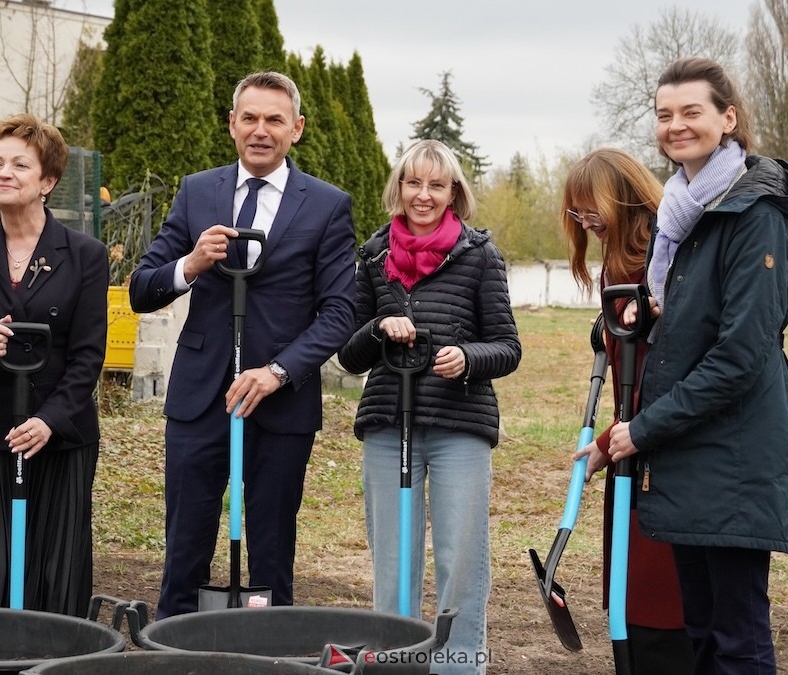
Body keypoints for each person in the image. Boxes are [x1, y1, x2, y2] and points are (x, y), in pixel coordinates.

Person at [129, 71, 357, 618]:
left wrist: (278, 371)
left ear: (296, 129)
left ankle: (267, 646)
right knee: (185, 539)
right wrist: (190, 264)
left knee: (273, 543)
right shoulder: (197, 191)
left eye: (274, 120)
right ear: (232, 124)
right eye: (249, 118)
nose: (261, 130)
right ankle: (174, 645)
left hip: (280, 402)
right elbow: (141, 288)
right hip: (200, 396)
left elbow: (340, 311)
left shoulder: (326, 205)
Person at [605, 57, 788, 675]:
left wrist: (643, 429)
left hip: (736, 455)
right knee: (701, 633)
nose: (676, 125)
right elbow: (690, 328)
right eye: (665, 115)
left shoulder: (755, 213)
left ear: (729, 118)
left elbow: (742, 354)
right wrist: (651, 314)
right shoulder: (682, 212)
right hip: (691, 453)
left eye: (692, 112)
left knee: (736, 640)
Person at [338, 139, 521, 675]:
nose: (423, 195)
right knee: (394, 560)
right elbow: (350, 354)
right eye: (414, 183)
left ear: (453, 193)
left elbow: (507, 347)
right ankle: (396, 663)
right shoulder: (373, 256)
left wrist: (466, 358)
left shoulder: (480, 255)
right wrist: (378, 329)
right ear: (399, 188)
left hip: (460, 426)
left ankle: (459, 666)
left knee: (460, 562)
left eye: (436, 185)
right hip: (387, 423)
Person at [0, 113, 109, 616]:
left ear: (47, 182)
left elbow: (87, 356)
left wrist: (49, 421)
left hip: (58, 436)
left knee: (50, 565)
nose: (3, 173)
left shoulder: (84, 256)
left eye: (20, 165)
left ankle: (49, 658)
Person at [564, 148, 693, 674]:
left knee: (655, 592)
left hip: (664, 448)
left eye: (591, 208)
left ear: (624, 197)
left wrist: (607, 439)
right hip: (631, 442)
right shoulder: (616, 265)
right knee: (628, 590)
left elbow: (666, 378)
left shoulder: (661, 262)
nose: (586, 221)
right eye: (577, 213)